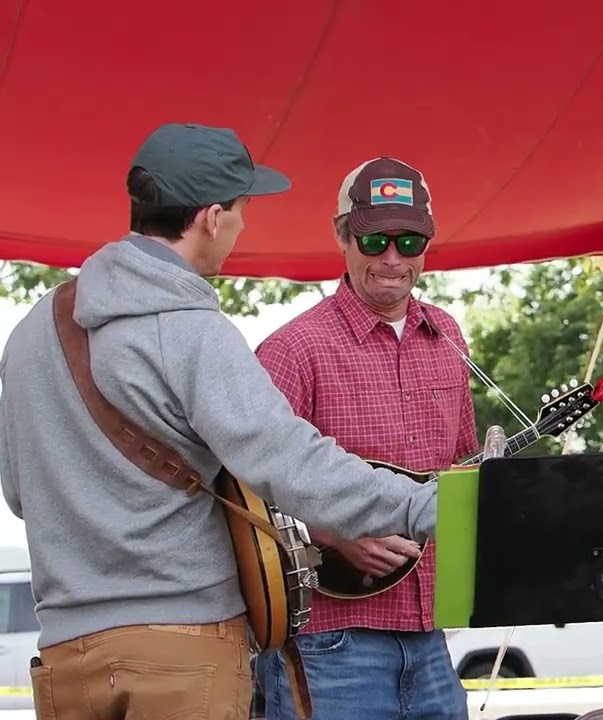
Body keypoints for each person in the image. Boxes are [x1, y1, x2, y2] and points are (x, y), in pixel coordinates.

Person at [0, 123, 443, 720]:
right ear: (211, 217)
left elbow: (20, 492)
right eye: (241, 210)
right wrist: (424, 505)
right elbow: (293, 462)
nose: (242, 226)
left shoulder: (34, 330)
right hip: (181, 650)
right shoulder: (192, 332)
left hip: (63, 652)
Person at [253, 157, 477, 720]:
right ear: (342, 235)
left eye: (409, 240)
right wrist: (333, 535)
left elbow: (460, 467)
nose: (393, 259)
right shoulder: (291, 350)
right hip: (330, 642)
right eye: (374, 239)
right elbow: (245, 494)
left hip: (431, 636)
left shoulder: (447, 334)